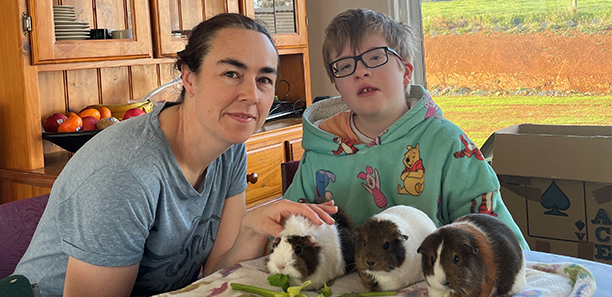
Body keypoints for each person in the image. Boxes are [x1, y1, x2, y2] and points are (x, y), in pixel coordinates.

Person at [13, 13, 337, 297]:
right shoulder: (125, 174)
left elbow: (215, 273)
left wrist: (251, 228)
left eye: (264, 79)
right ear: (188, 76)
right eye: (231, 74)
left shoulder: (229, 146)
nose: (252, 95)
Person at [283, 8, 528, 249]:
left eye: (376, 57)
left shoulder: (448, 143)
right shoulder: (318, 152)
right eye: (345, 66)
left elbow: (497, 239)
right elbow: (285, 234)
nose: (361, 71)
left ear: (406, 72)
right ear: (338, 87)